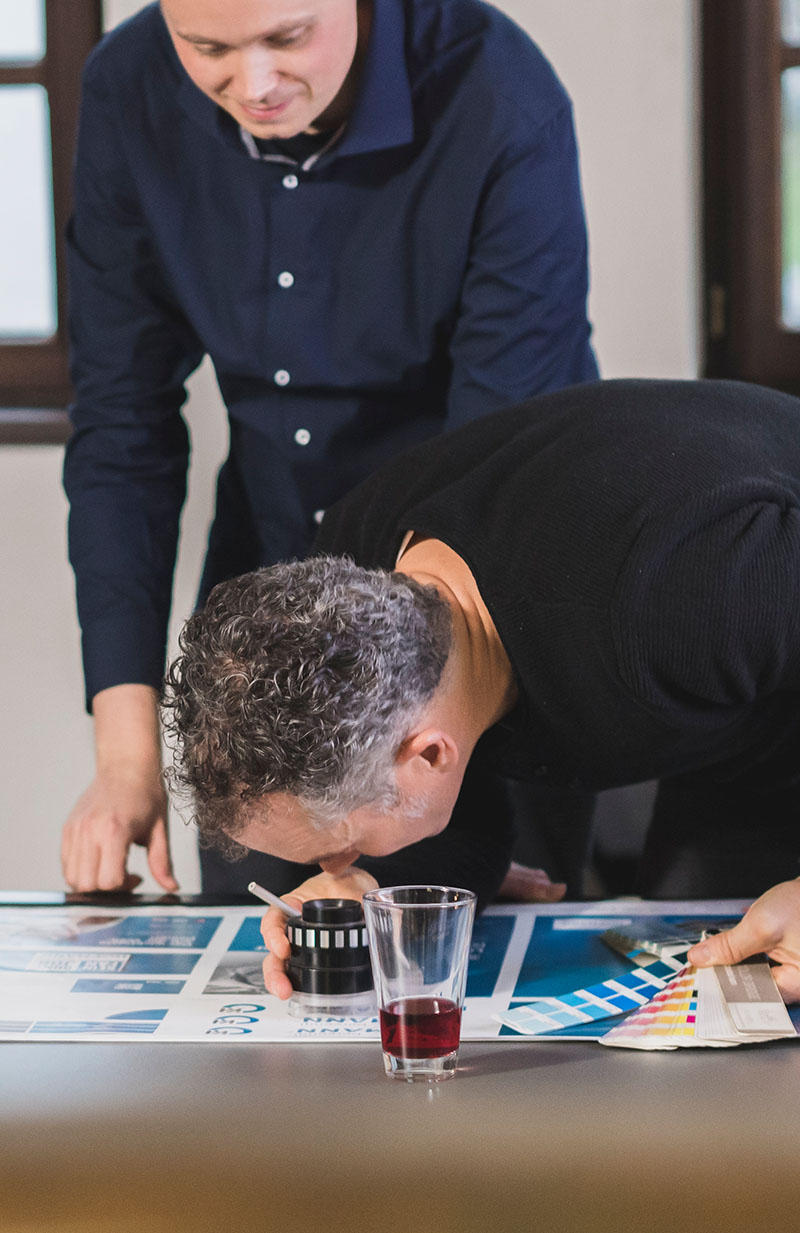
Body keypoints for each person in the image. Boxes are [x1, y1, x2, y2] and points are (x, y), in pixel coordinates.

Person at [60, 0, 597, 895]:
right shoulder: (128, 88)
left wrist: (402, 830)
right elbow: (123, 425)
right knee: (267, 964)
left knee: (467, 963)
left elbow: (501, 463)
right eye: (209, 49)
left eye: (287, 37)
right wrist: (126, 755)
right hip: (268, 584)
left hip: (480, 601)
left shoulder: (498, 94)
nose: (255, 85)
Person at [162, 377, 800, 1000]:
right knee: (713, 971)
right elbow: (463, 823)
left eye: (342, 850)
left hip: (752, 660)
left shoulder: (674, 600)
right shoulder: (359, 572)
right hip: (721, 703)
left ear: (430, 754)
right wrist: (376, 889)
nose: (334, 867)